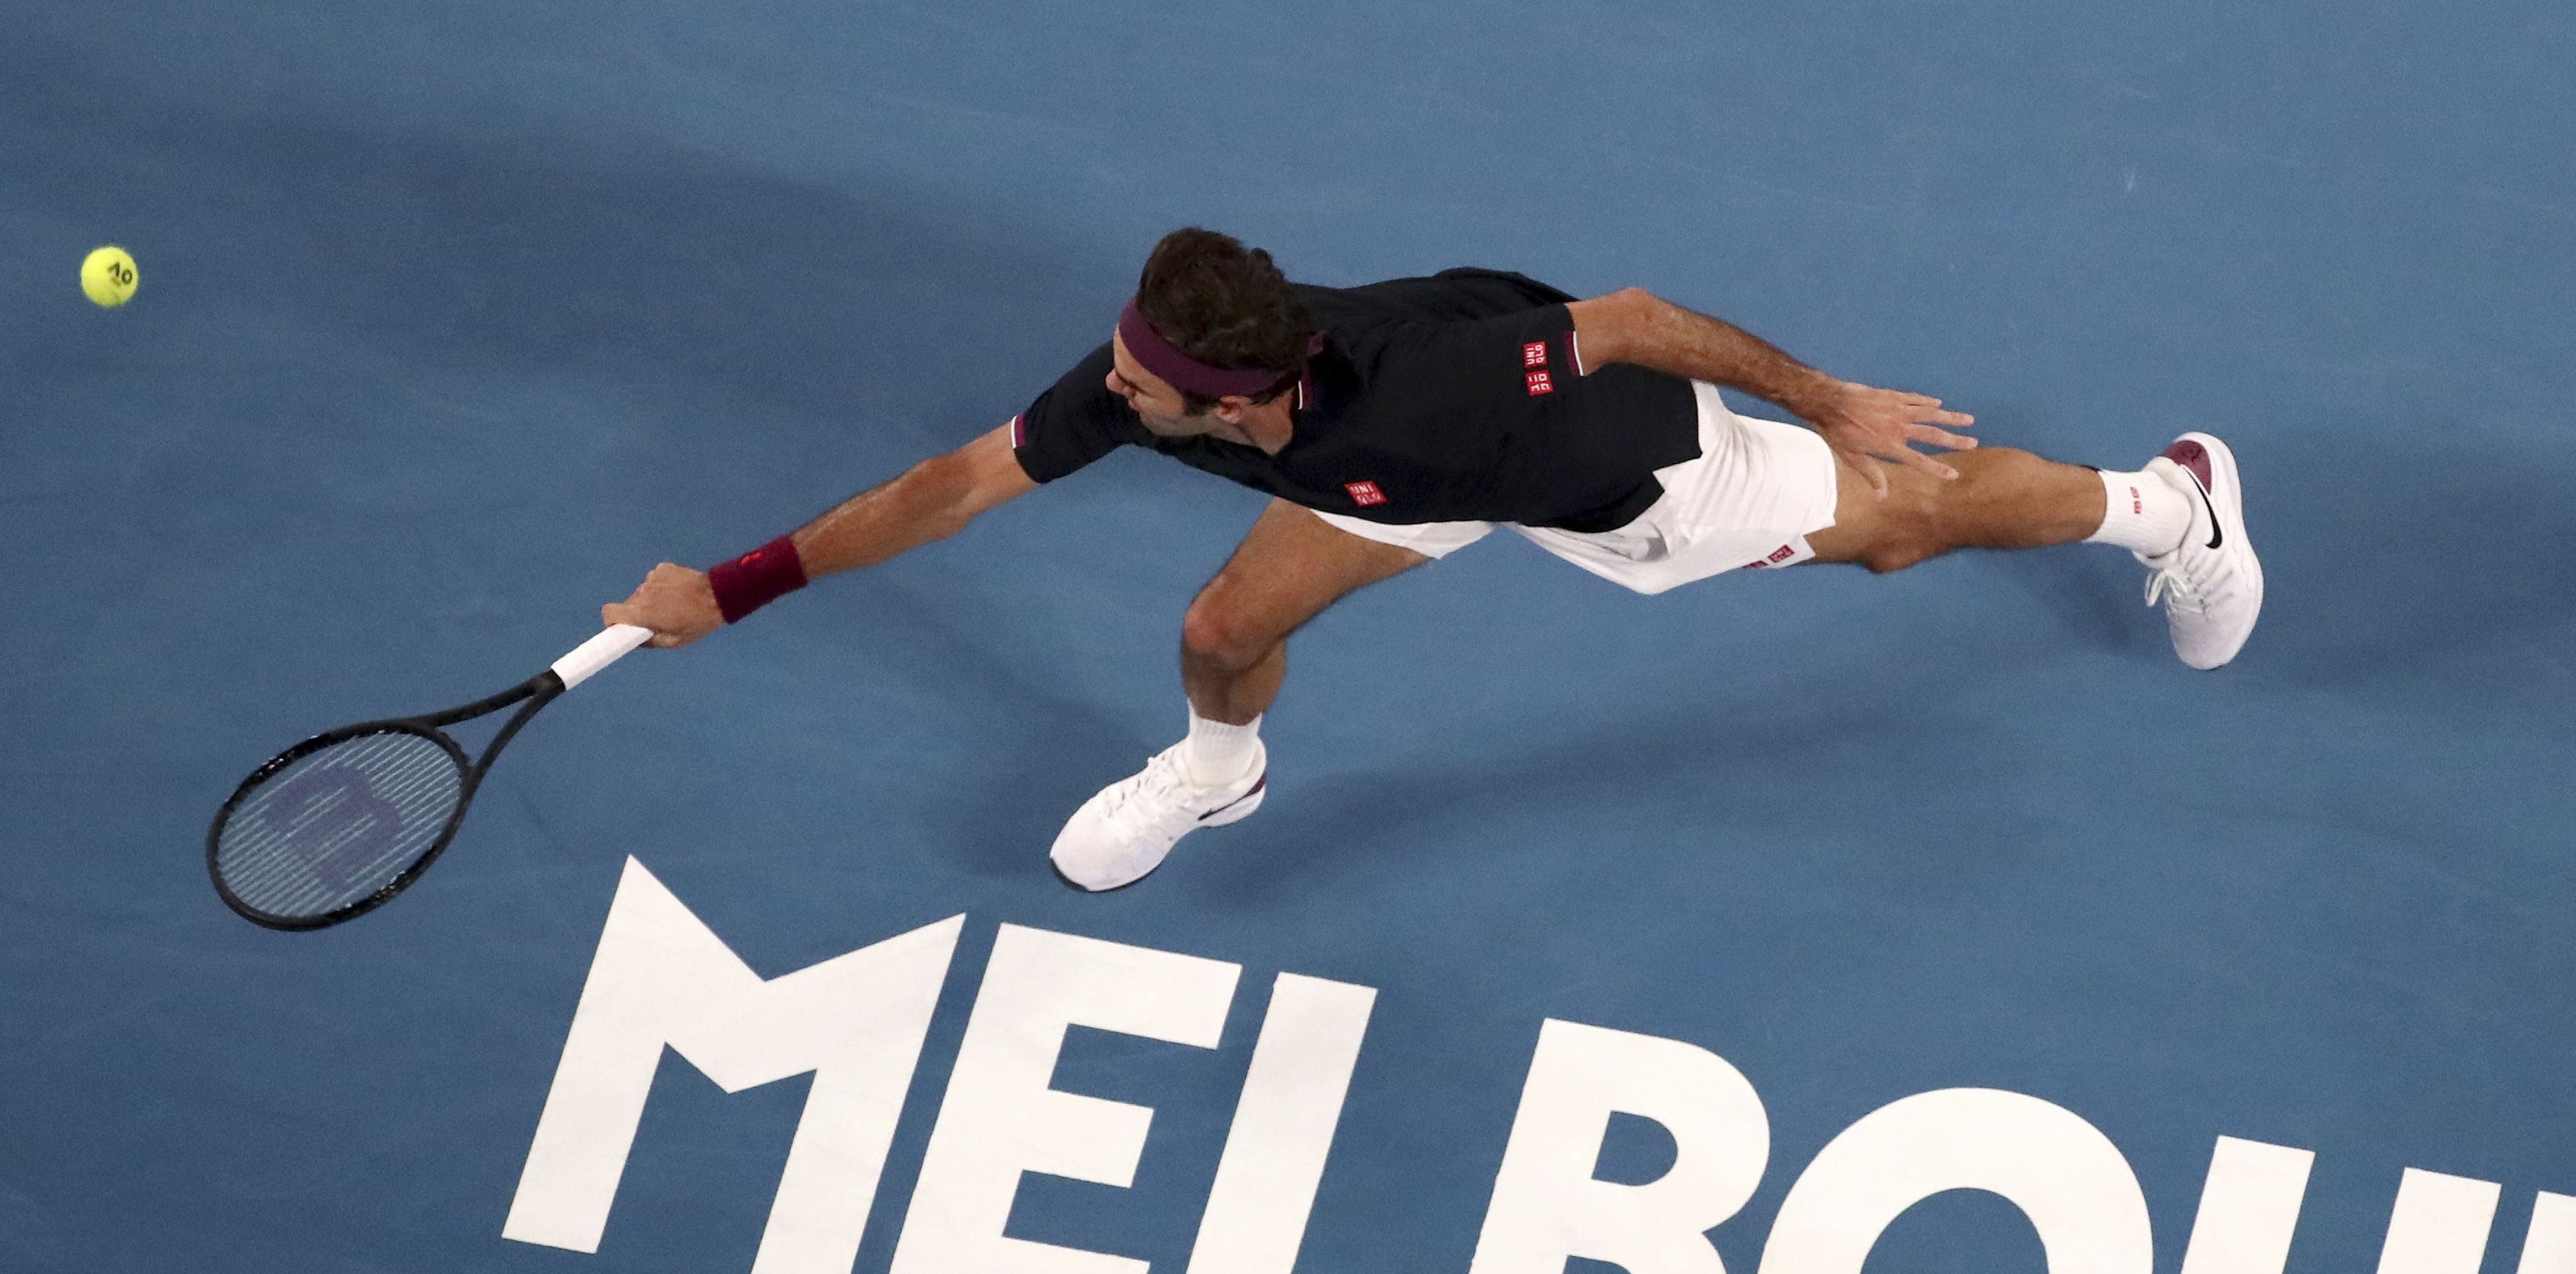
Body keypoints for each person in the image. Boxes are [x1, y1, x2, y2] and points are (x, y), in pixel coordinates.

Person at [604, 228, 2262, 891]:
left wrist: (1822, 397)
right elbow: (948, 486)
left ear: (1233, 402)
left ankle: (2172, 506)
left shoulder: (1436, 382)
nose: (1106, 394)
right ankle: (1218, 777)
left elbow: (1626, 320)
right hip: (1385, 487)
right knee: (1223, 624)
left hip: (1617, 473)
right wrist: (730, 590)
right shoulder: (1158, 386)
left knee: (1911, 528)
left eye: (1140, 386)